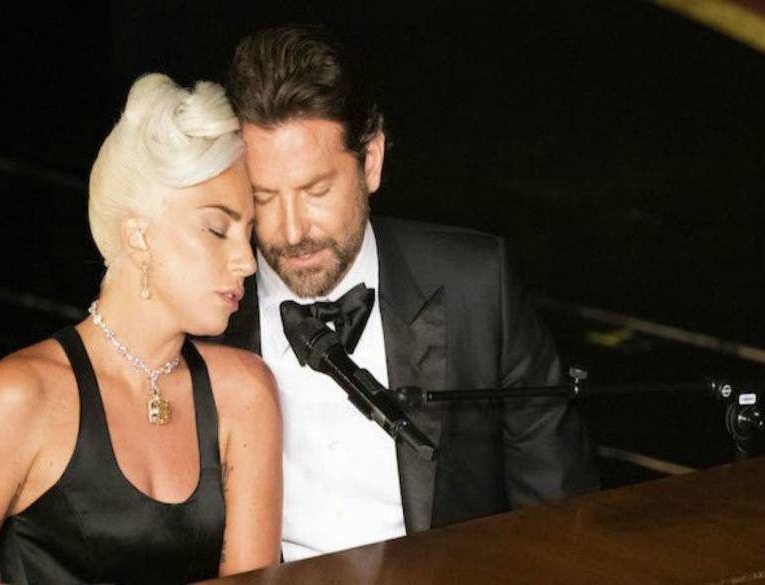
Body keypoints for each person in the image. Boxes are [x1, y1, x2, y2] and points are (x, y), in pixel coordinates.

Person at [214, 24, 599, 561]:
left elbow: (561, 516)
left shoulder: (477, 287)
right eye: (264, 197)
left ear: (371, 160)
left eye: (316, 190)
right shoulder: (206, 317)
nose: (293, 230)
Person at [0, 73, 282, 585]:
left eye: (249, 232)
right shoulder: (24, 395)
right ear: (137, 235)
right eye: (217, 229)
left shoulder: (245, 393)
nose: (246, 260)